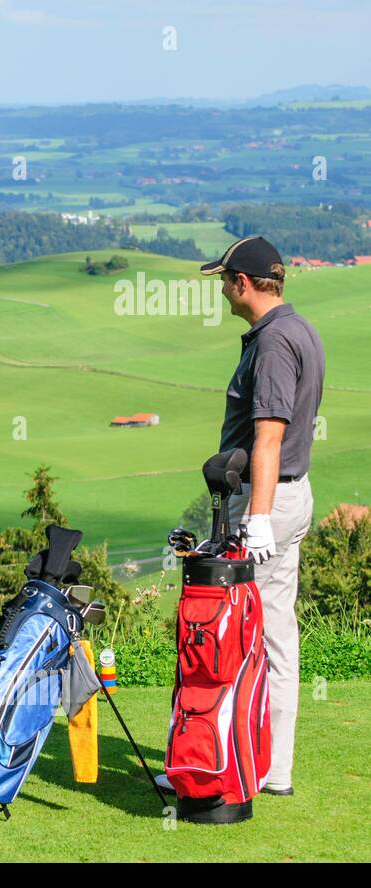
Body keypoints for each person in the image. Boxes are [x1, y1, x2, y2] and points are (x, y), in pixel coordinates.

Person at [202, 235, 325, 796]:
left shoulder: (274, 343)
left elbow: (269, 435)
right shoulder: (297, 329)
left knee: (234, 633)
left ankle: (224, 762)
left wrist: (255, 520)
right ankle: (270, 766)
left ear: (244, 284)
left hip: (268, 503)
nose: (223, 289)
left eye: (225, 280)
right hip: (288, 496)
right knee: (275, 631)